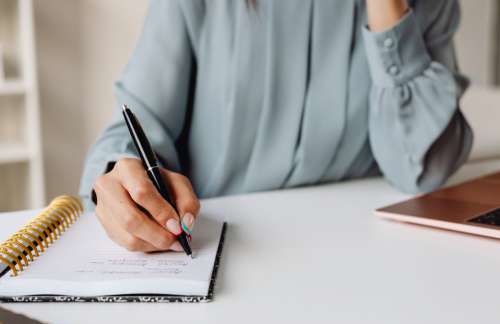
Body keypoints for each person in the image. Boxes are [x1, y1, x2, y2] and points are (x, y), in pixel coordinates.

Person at [80, 0, 473, 252]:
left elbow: (424, 169)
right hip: (224, 254)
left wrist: (388, 8)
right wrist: (124, 179)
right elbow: (132, 130)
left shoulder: (425, 5)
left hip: (368, 258)